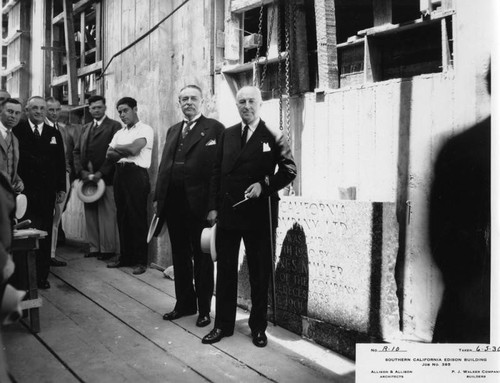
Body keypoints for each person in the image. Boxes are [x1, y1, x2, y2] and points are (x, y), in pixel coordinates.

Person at [202, 86, 296, 347]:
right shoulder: (227, 134)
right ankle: (222, 325)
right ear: (237, 105)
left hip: (259, 215)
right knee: (226, 272)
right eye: (241, 102)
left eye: (251, 101)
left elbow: (289, 171)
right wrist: (213, 207)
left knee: (259, 273)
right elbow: (215, 173)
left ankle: (258, 328)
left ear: (260, 103)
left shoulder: (273, 135)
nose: (246, 106)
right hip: (230, 212)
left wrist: (263, 187)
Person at [429, 64, 491, 343]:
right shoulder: (464, 152)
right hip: (472, 315)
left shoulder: (459, 149)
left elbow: (441, 244)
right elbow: (446, 243)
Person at [154, 85, 224, 327]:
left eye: (193, 98)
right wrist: (159, 199)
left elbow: (218, 171)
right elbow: (164, 167)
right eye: (184, 99)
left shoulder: (214, 128)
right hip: (174, 206)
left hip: (201, 207)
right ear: (179, 103)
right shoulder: (173, 130)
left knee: (203, 259)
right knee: (180, 257)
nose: (189, 103)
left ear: (202, 101)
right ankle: (184, 304)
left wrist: (214, 207)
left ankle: (204, 310)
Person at [13, 96, 66, 289]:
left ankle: (41, 276)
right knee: (24, 234)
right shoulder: (17, 131)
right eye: (34, 108)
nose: (39, 112)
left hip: (46, 193)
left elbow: (60, 161)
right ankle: (23, 278)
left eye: (42, 108)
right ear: (27, 110)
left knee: (44, 235)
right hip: (24, 193)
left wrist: (61, 187)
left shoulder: (53, 133)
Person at [106, 97, 153, 275]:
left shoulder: (146, 129)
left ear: (135, 109)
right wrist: (124, 148)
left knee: (137, 217)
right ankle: (126, 256)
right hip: (120, 174)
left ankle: (141, 261)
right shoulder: (120, 132)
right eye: (119, 112)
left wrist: (119, 148)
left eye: (125, 110)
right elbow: (109, 154)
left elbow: (135, 150)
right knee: (122, 216)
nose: (122, 115)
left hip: (137, 175)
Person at [74, 95, 121, 261]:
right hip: (87, 180)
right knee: (91, 213)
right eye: (93, 108)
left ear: (105, 107)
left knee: (107, 213)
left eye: (99, 107)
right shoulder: (85, 128)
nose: (96, 110)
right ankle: (94, 248)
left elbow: (115, 153)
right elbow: (76, 152)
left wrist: (102, 173)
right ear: (89, 109)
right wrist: (81, 172)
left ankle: (107, 249)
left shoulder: (114, 126)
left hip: (106, 179)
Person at [45, 97, 71, 267]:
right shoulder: (41, 128)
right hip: (46, 179)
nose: (54, 113)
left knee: (56, 216)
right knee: (44, 217)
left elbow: (66, 155)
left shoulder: (62, 130)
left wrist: (67, 172)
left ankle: (51, 254)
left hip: (63, 177)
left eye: (57, 110)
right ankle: (42, 255)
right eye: (50, 110)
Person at [0, 98, 24, 193]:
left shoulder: (15, 139)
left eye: (17, 113)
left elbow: (10, 167)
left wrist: (18, 180)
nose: (13, 116)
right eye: (10, 112)